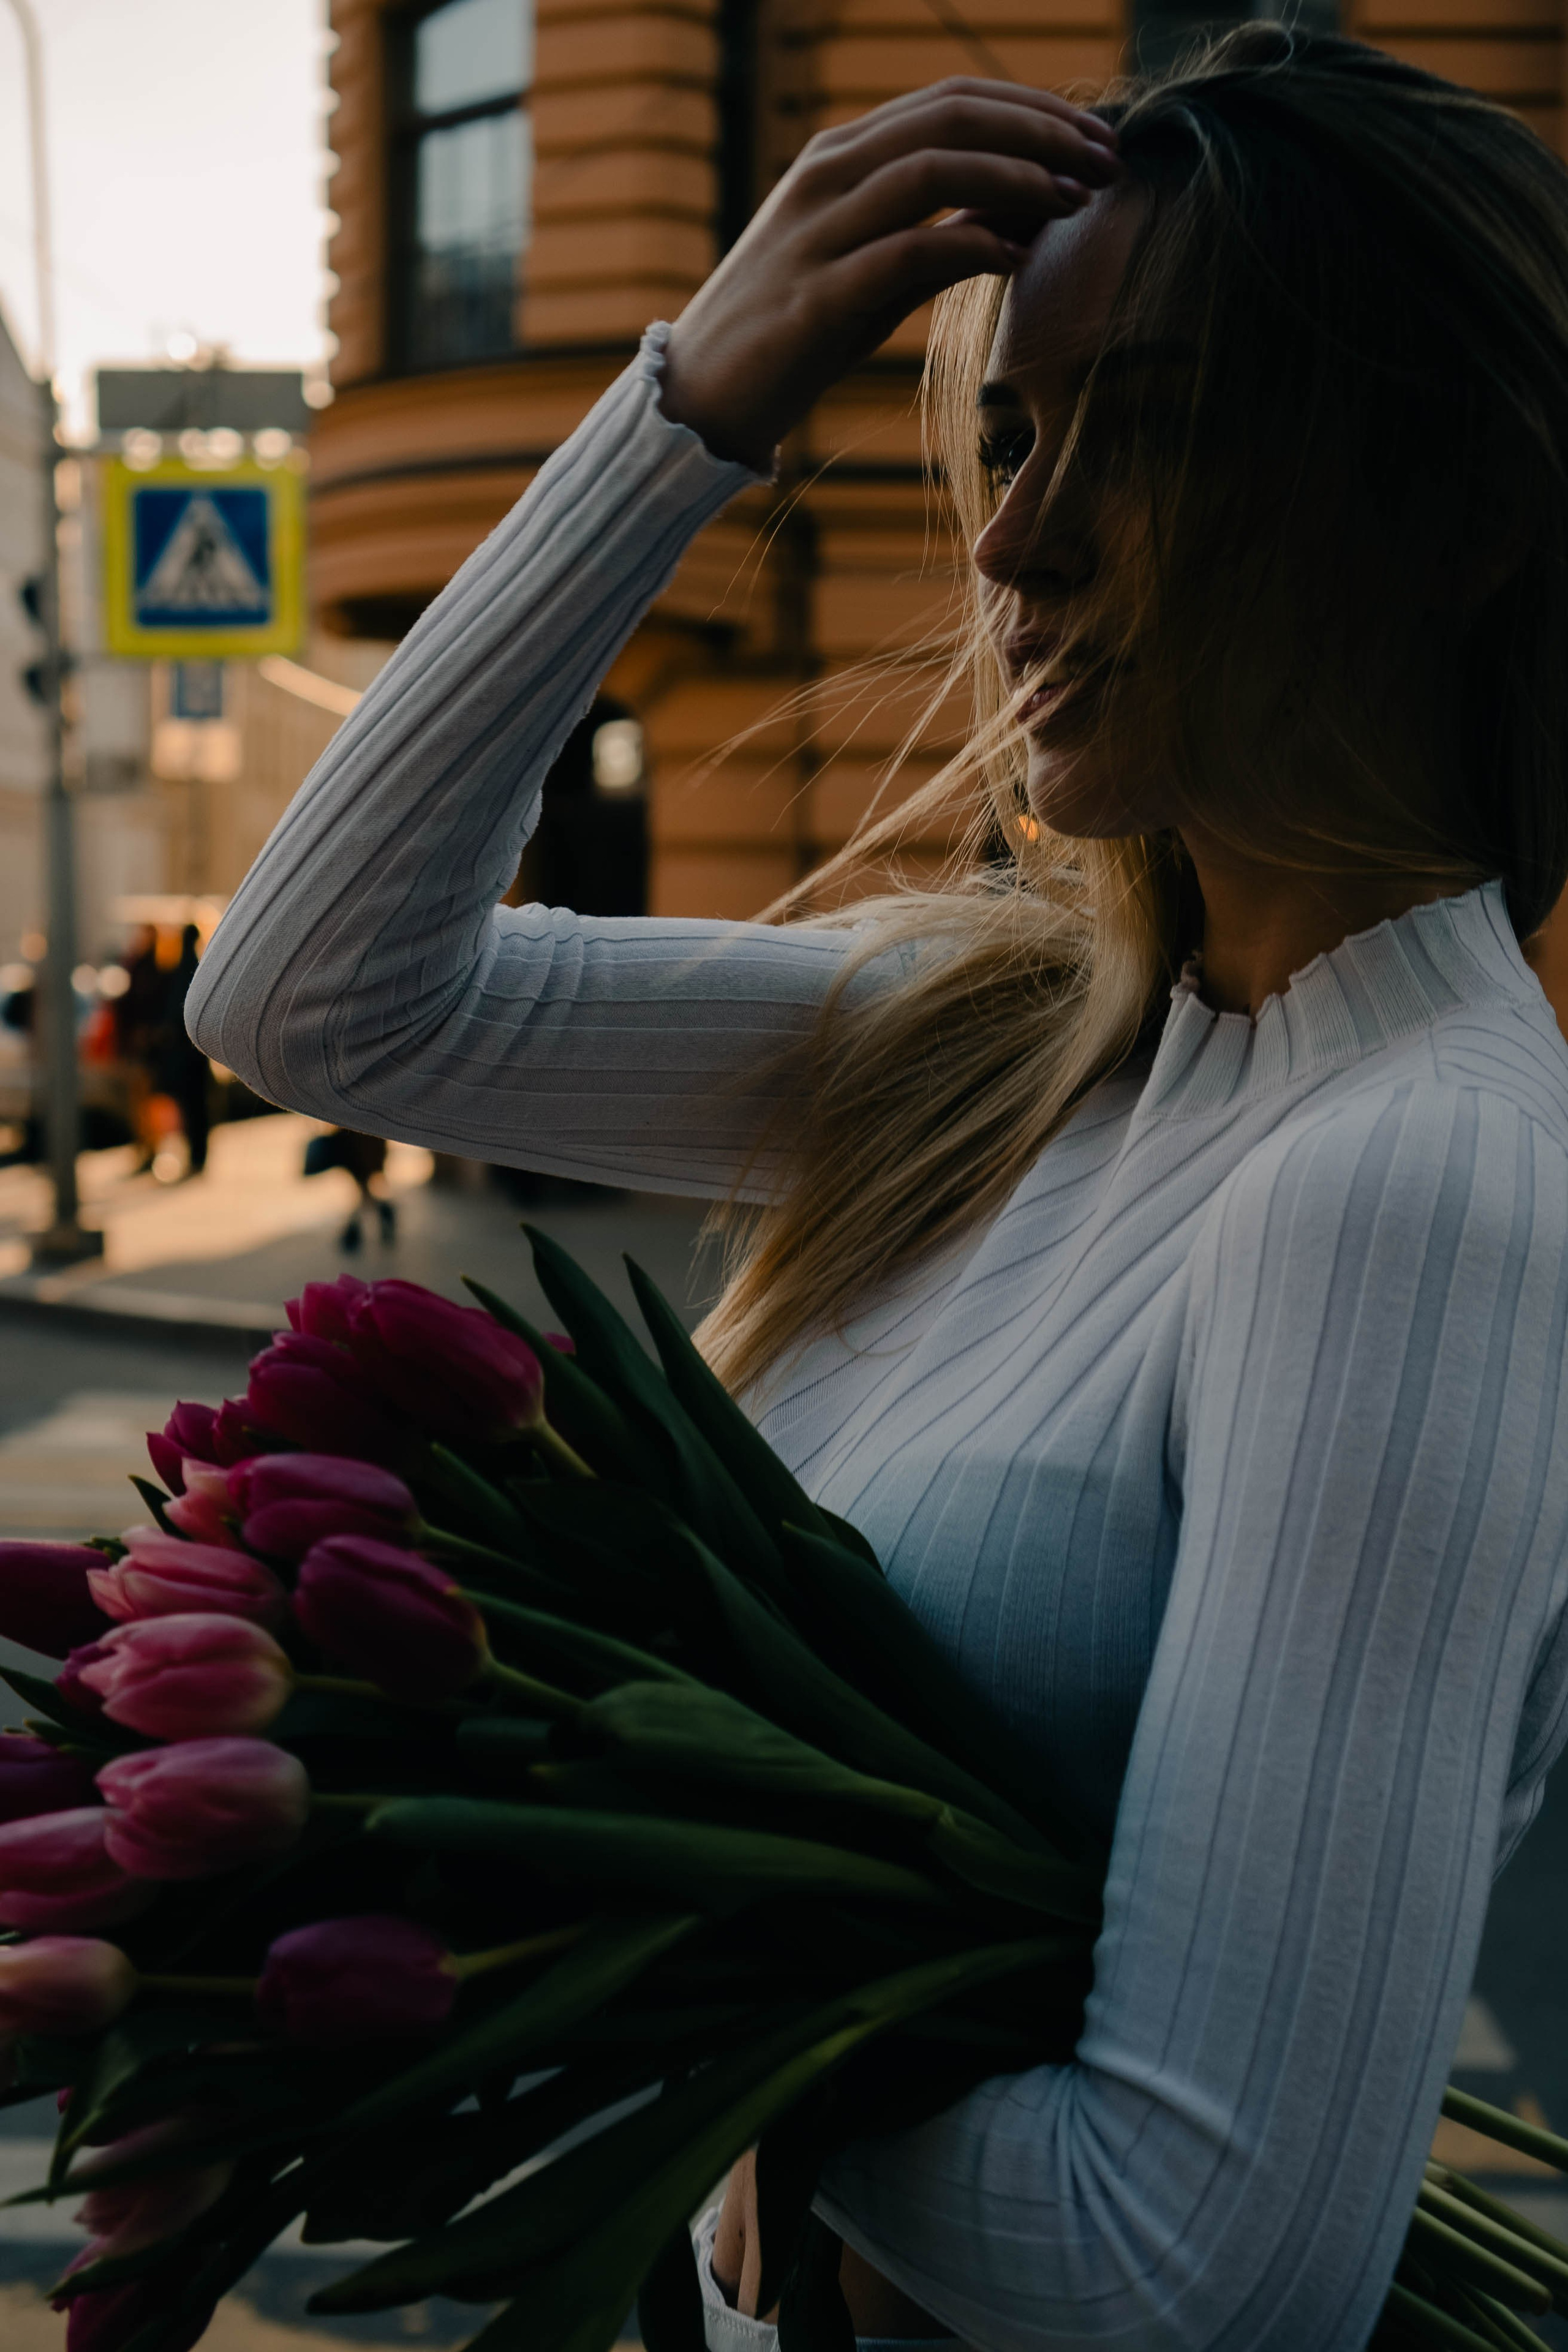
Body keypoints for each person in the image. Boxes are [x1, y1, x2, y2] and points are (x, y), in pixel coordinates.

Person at [187, 29, 1568, 2348]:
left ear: (1424, 501)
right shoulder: (990, 1032)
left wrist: (616, 1975)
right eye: (1013, 435)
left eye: (1147, 427)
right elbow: (313, 998)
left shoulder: (1416, 1184)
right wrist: (685, 408)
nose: (1016, 537)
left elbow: (1191, 2277)